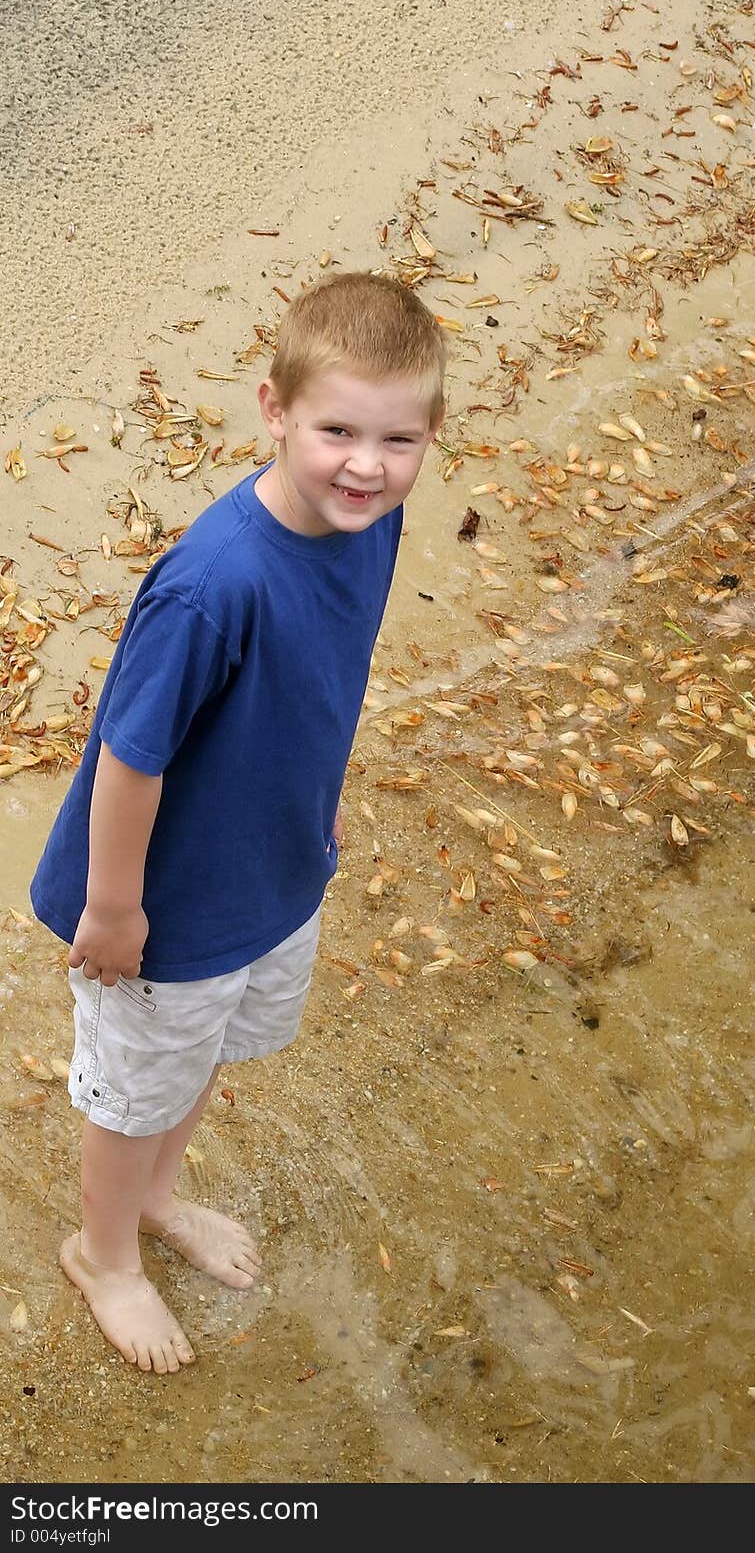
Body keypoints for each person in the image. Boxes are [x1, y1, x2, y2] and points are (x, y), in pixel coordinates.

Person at [30, 271, 445, 1373]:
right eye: (337, 429)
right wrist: (113, 908)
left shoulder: (373, 522)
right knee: (136, 1085)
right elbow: (130, 755)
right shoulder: (211, 586)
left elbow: (324, 674)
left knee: (200, 1053)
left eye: (398, 437)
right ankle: (103, 1249)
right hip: (161, 909)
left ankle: (160, 1199)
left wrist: (320, 801)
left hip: (276, 864)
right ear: (274, 409)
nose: (367, 462)